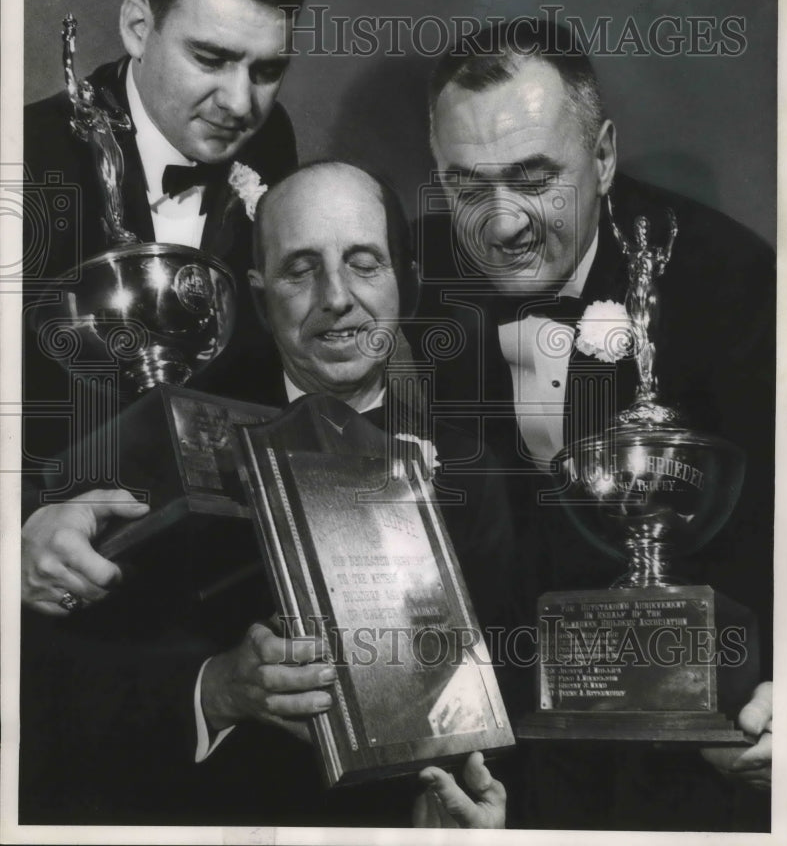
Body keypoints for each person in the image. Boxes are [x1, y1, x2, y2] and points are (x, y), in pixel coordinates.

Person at [20, 163, 513, 829]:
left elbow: (494, 695)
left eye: (364, 263)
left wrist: (465, 809)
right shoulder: (152, 444)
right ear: (258, 296)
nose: (336, 296)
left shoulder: (468, 468)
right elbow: (61, 689)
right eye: (300, 269)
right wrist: (217, 690)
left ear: (406, 279)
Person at [418, 18, 775, 830]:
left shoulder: (733, 285)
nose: (502, 224)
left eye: (537, 178)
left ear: (605, 155)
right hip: (502, 763)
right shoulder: (411, 276)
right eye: (467, 186)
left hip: (693, 767)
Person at [22, 0, 309, 487]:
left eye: (267, 70)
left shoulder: (271, 140)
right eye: (210, 57)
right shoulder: (25, 156)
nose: (239, 104)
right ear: (136, 26)